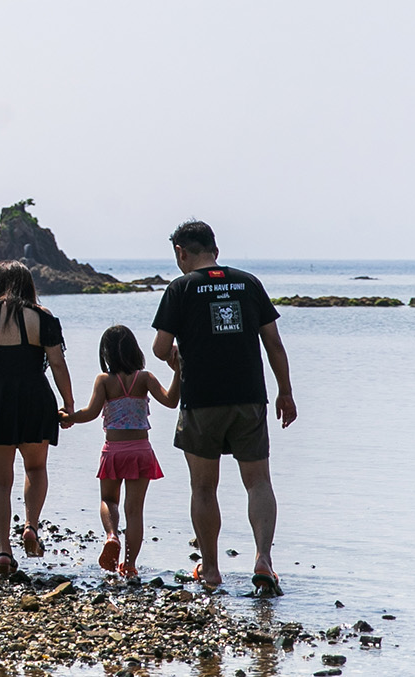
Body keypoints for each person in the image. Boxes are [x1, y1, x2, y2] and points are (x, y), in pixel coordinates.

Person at [151, 219, 296, 596]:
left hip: (202, 401)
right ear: (214, 247)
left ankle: (212, 569)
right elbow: (274, 344)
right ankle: (263, 559)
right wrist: (286, 392)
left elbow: (160, 348)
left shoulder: (180, 288)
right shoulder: (248, 283)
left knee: (203, 487)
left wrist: (178, 360)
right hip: (249, 396)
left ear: (181, 252)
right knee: (259, 482)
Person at [0, 262, 75, 577]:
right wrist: (69, 403)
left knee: (0, 481)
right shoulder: (42, 316)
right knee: (35, 468)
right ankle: (31, 526)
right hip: (35, 398)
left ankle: (4, 551)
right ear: (28, 285)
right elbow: (58, 364)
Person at [61, 325, 181, 579]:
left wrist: (69, 417)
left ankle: (111, 535)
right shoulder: (145, 378)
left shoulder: (104, 380)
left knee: (109, 500)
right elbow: (171, 401)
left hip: (113, 451)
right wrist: (179, 370)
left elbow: (91, 413)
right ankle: (129, 565)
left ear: (106, 354)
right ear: (134, 350)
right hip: (141, 451)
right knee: (135, 510)